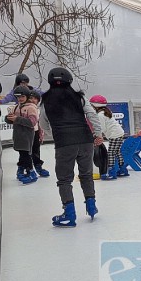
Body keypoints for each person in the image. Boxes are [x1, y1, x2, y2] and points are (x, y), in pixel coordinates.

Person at [40, 67, 103, 227]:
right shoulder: (78, 97)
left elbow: (42, 123)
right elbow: (92, 114)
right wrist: (98, 133)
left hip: (64, 143)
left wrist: (55, 132)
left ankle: (69, 214)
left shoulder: (45, 100)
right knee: (86, 174)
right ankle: (91, 205)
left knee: (64, 179)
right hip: (85, 139)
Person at [5, 86, 40, 184]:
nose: (20, 99)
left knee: (26, 154)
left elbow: (32, 122)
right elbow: (12, 120)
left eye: (22, 96)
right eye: (18, 97)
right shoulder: (16, 106)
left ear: (27, 96)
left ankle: (31, 172)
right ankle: (21, 169)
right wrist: (8, 118)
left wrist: (17, 119)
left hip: (27, 135)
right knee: (22, 154)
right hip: (18, 135)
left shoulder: (31, 108)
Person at [89, 95, 127, 180]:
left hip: (115, 135)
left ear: (95, 106)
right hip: (118, 133)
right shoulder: (105, 111)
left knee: (110, 153)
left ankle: (111, 173)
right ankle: (123, 170)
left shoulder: (100, 115)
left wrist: (95, 134)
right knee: (117, 152)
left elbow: (101, 128)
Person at [27, 91, 49, 178]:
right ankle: (28, 168)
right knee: (26, 152)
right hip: (27, 133)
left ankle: (38, 166)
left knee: (36, 150)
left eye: (34, 99)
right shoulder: (26, 108)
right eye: (30, 98)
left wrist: (41, 134)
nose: (32, 100)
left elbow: (41, 123)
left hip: (36, 132)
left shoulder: (39, 109)